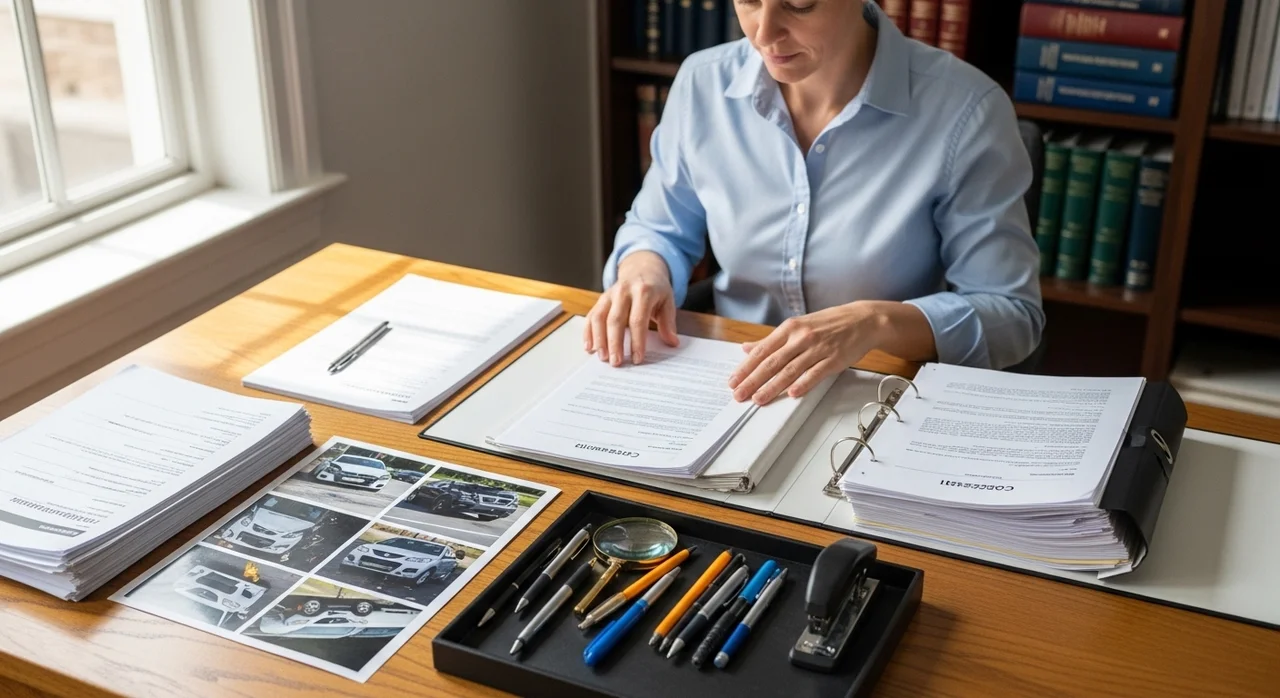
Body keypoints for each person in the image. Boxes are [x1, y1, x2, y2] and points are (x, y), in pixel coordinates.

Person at [584, 0, 1043, 406]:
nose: (763, 33)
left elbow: (1011, 314)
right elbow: (659, 227)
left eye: (799, 5)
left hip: (880, 394)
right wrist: (643, 271)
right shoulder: (702, 82)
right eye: (747, 0)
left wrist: (873, 321)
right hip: (729, 380)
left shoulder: (966, 108)